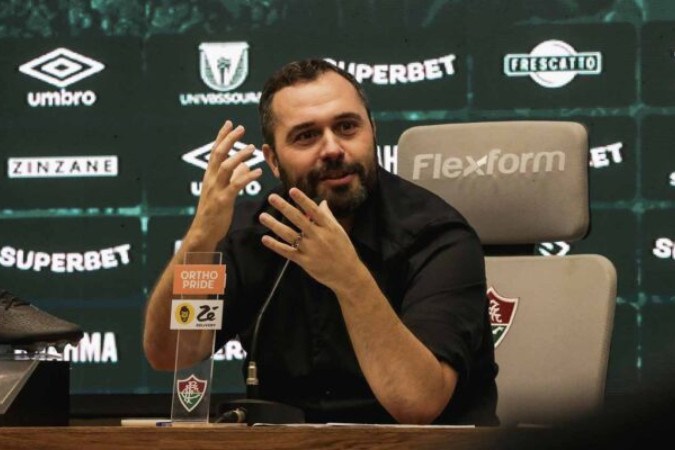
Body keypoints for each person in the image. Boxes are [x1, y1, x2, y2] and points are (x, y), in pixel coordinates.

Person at [143, 59, 498, 425]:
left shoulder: (437, 237)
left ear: (372, 132)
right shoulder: (253, 234)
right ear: (274, 161)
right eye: (306, 136)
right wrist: (201, 238)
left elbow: (418, 403)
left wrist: (348, 278)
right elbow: (172, 354)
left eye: (347, 127)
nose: (332, 148)